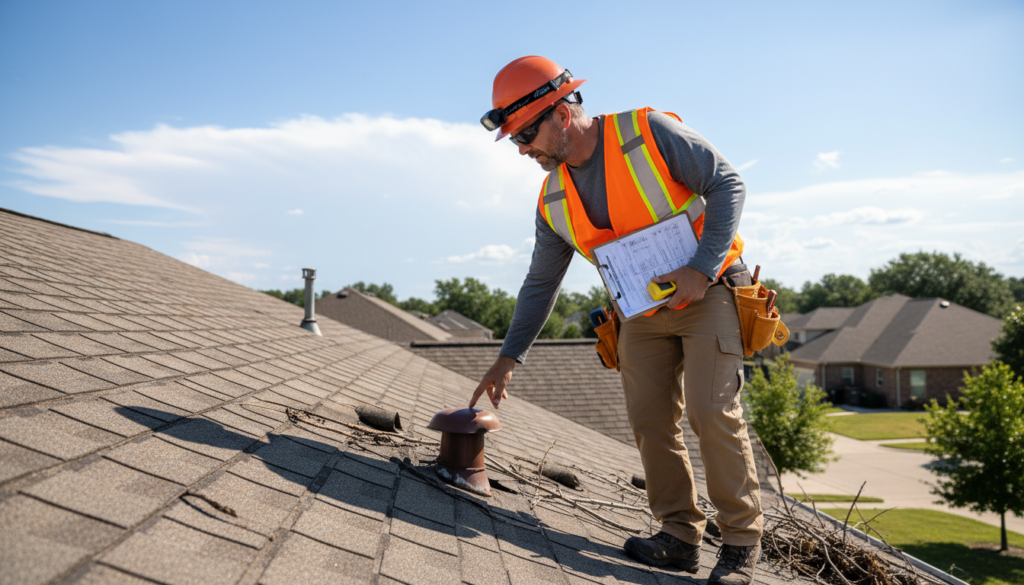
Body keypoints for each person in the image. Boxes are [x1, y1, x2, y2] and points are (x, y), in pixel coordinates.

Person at [469, 56, 762, 584]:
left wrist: (699, 269)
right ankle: (678, 536)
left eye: (526, 134)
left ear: (561, 114)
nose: (522, 149)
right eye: (514, 140)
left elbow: (728, 184)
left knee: (710, 408)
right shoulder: (552, 198)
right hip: (641, 312)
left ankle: (741, 543)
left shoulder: (647, 133)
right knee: (650, 419)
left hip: (709, 291)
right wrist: (507, 358)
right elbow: (541, 284)